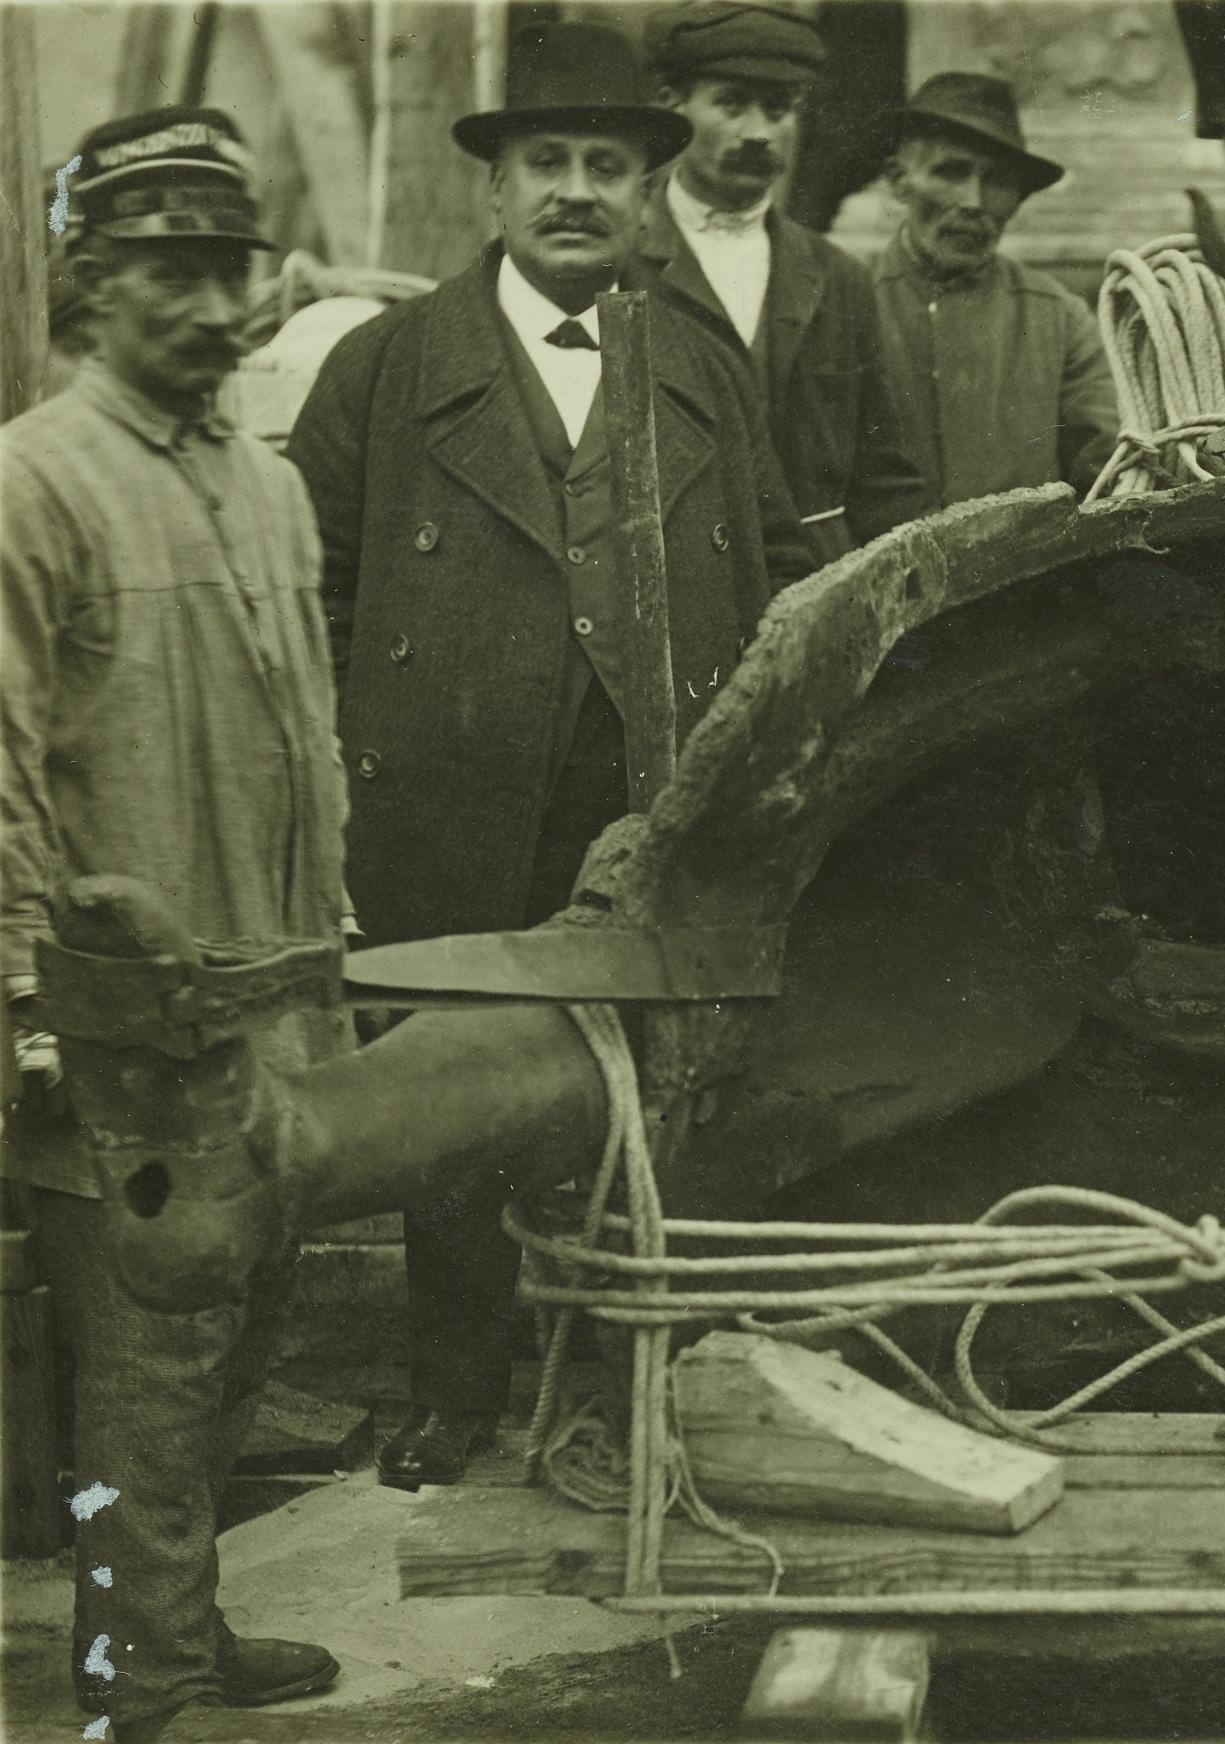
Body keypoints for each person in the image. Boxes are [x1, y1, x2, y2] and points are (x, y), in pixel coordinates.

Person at [290, 21, 814, 1491]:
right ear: (495, 190)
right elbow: (312, 593)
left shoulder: (703, 369)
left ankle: (609, 1388)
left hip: (651, 797)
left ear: (649, 196)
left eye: (606, 166)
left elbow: (774, 577)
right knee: (452, 1087)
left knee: (639, 1097)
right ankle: (453, 1387)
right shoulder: (389, 369)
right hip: (449, 798)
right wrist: (365, 758)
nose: (576, 192)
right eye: (547, 164)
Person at [0, 107, 351, 1741]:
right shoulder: (30, 481)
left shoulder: (269, 485)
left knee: (232, 1340)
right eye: (171, 273)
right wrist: (29, 1006)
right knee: (140, 1363)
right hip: (123, 1034)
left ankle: (162, 1622)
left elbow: (315, 749)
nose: (216, 306)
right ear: (89, 286)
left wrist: (329, 953)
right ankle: (153, 1685)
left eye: (231, 268)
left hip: (267, 1004)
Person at [641, 1, 925, 563]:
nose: (758, 132)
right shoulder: (619, 263)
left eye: (777, 109)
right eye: (730, 104)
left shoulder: (837, 278)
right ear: (672, 106)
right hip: (670, 585)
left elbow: (886, 482)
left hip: (813, 591)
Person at [867, 73, 1119, 505]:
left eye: (998, 181)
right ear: (898, 180)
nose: (974, 202)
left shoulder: (1059, 318)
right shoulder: (845, 302)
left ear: (1019, 199)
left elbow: (1107, 475)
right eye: (951, 172)